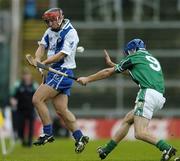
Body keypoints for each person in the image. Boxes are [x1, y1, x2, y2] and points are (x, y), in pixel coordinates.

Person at [77, 38, 177, 161]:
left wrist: (87, 79)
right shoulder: (149, 58)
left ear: (133, 50)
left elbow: (108, 72)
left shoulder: (134, 57)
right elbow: (132, 72)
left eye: (129, 52)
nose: (128, 54)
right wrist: (114, 65)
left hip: (147, 94)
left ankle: (167, 148)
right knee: (128, 119)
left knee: (140, 133)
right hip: (159, 97)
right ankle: (106, 150)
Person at [32, 8, 89, 153]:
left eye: (52, 20)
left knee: (37, 99)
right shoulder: (50, 31)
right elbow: (41, 47)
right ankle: (79, 137)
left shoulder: (70, 32)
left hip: (62, 71)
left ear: (60, 18)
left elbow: (61, 55)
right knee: (61, 110)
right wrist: (38, 61)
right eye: (48, 21)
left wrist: (43, 63)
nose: (50, 24)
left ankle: (48, 132)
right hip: (53, 72)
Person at [10, 68, 38, 147]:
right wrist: (13, 101)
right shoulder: (18, 84)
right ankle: (22, 140)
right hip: (20, 110)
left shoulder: (34, 85)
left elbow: (38, 95)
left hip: (31, 109)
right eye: (25, 75)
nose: (26, 76)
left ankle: (29, 142)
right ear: (23, 76)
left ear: (30, 76)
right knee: (21, 126)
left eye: (28, 75)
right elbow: (12, 95)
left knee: (31, 126)